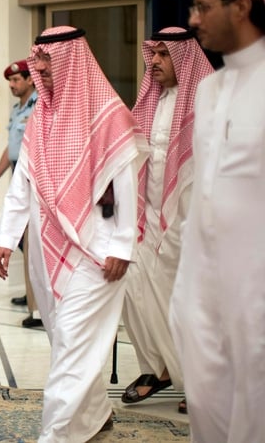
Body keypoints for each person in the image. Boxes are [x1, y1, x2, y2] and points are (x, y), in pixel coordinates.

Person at [0, 26, 143, 442]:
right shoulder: (41, 116)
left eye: (48, 61)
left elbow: (128, 183)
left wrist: (123, 245)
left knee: (71, 348)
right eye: (36, 59)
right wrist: (5, 238)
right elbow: (23, 183)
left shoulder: (108, 115)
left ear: (73, 62)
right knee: (68, 343)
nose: (39, 67)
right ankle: (95, 413)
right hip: (47, 248)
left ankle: (54, 436)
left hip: (98, 252)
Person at [170, 0, 265, 441]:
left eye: (204, 6)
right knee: (208, 407)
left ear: (241, 6)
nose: (193, 19)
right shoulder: (208, 90)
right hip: (203, 284)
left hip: (257, 285)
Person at [121, 27, 214, 415]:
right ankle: (156, 367)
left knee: (184, 300)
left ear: (185, 58)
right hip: (149, 216)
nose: (154, 62)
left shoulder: (208, 101)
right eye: (152, 54)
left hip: (193, 219)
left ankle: (198, 382)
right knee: (134, 287)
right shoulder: (149, 102)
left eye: (163, 54)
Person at [0, 59, 41, 327]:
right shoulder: (17, 109)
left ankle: (39, 306)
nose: (11, 84)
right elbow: (11, 147)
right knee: (23, 239)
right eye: (10, 80)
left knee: (33, 241)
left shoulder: (40, 105)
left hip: (34, 176)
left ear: (31, 79)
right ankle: (33, 295)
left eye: (17, 79)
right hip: (17, 172)